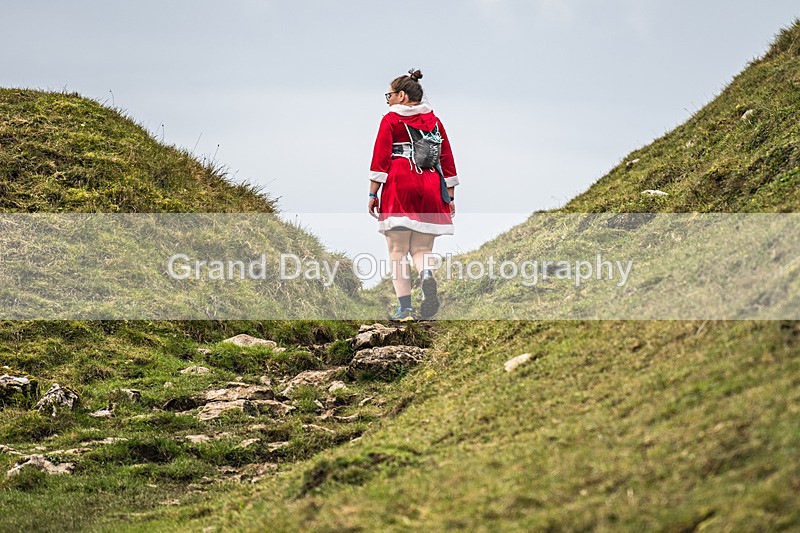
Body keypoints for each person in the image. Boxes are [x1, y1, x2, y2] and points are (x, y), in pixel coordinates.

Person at [368, 69, 458, 321]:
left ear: (403, 96)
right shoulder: (434, 121)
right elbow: (446, 157)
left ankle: (405, 308)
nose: (388, 100)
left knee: (397, 249)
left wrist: (373, 193)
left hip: (400, 181)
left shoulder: (390, 120)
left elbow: (381, 157)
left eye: (390, 94)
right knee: (421, 247)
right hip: (430, 183)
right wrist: (449, 196)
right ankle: (426, 275)